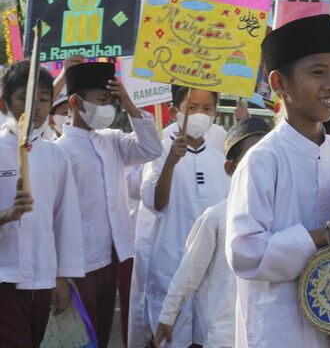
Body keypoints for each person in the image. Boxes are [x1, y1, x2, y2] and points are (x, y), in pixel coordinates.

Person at [225, 14, 330, 348]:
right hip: (278, 328)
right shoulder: (262, 161)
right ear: (279, 83)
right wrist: (328, 234)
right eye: (318, 72)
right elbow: (246, 254)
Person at [56, 62, 162, 348]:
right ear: (76, 103)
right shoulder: (60, 151)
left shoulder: (112, 140)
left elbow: (152, 149)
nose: (109, 108)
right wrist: (60, 275)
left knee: (103, 332)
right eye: (102, 101)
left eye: (112, 101)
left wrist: (129, 104)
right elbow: (55, 217)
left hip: (112, 254)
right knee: (82, 336)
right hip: (78, 262)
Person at [154, 117, 271, 347]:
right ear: (230, 168)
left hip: (267, 335)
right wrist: (168, 316)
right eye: (250, 160)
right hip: (224, 336)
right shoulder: (217, 217)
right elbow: (188, 273)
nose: (262, 167)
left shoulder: (282, 215)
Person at [0, 60, 85, 348]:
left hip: (43, 276)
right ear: (4, 104)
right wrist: (7, 215)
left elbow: (66, 220)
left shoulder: (55, 156)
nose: (35, 107)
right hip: (4, 277)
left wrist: (63, 277)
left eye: (43, 99)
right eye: (24, 98)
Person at [141, 85, 230, 347]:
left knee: (206, 337)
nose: (200, 114)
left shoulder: (220, 160)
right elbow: (157, 204)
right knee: (170, 338)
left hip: (210, 271)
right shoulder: (159, 156)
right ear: (173, 112)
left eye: (207, 108)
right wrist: (170, 163)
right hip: (171, 264)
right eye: (192, 108)